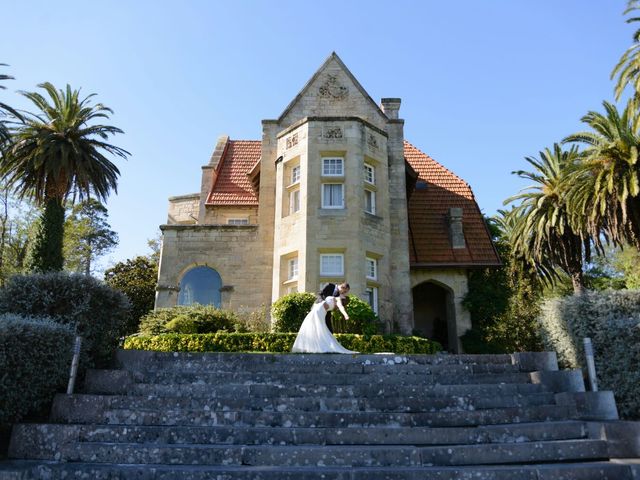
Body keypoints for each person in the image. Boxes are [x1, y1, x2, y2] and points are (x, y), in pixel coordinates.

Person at [291, 293, 358, 354]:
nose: (342, 294)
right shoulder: (335, 299)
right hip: (319, 309)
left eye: (344, 296)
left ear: (343, 298)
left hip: (320, 311)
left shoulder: (338, 301)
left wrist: (345, 315)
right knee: (314, 327)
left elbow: (341, 307)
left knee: (317, 328)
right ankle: (312, 347)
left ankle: (317, 346)